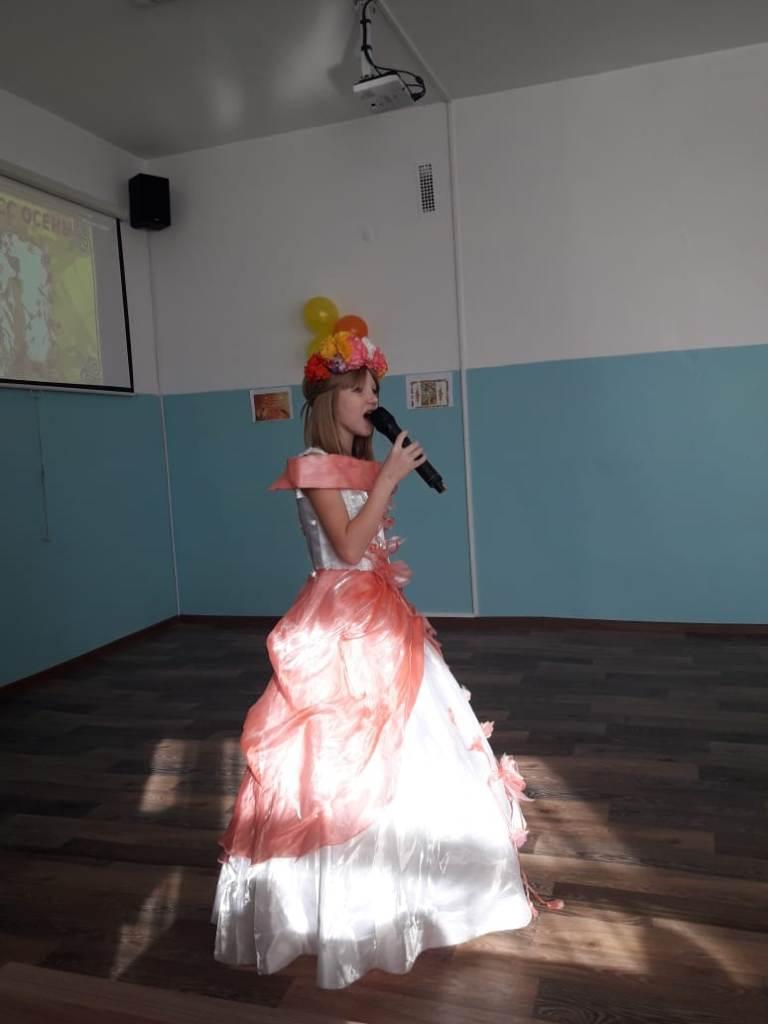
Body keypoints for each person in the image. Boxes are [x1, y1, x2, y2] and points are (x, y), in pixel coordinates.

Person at [213, 332, 554, 990]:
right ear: (329, 399)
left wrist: (386, 477)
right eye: (360, 389)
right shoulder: (312, 463)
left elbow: (369, 547)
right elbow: (346, 548)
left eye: (376, 390)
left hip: (380, 610)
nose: (373, 399)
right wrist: (391, 478)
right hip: (337, 618)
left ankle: (432, 890)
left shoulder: (357, 462)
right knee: (339, 757)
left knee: (415, 741)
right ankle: (346, 903)